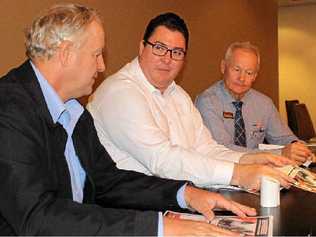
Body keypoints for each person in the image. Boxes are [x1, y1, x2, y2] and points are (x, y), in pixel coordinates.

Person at [0, 4, 258, 236]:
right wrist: (158, 227)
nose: (102, 66)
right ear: (66, 53)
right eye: (97, 54)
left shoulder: (73, 109)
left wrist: (184, 194)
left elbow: (108, 180)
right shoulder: (10, 108)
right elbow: (35, 218)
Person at [87, 12, 294, 192]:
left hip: (171, 198)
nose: (167, 59)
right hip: (127, 211)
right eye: (159, 47)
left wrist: (250, 159)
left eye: (176, 52)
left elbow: (206, 148)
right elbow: (163, 161)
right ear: (142, 47)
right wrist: (239, 173)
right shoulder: (120, 92)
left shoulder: (178, 95)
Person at [195, 41, 313, 165]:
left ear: (255, 76)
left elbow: (283, 137)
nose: (242, 78)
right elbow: (222, 149)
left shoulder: (264, 103)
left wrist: (298, 149)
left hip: (258, 172)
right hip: (219, 173)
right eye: (236, 69)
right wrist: (280, 153)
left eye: (249, 73)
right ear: (223, 67)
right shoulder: (207, 102)